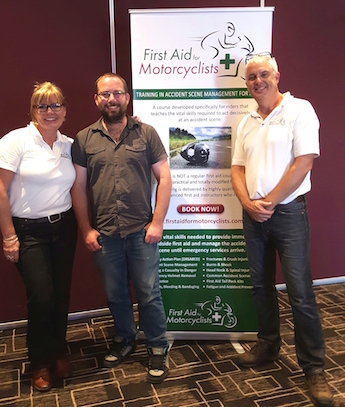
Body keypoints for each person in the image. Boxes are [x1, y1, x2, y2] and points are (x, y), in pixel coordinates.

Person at [231, 54, 333, 407]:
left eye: (263, 74)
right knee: (260, 287)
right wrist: (247, 203)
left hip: (287, 214)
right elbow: (236, 169)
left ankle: (314, 367)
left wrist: (269, 202)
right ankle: (268, 344)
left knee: (300, 292)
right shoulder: (245, 121)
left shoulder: (299, 110)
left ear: (276, 76)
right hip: (253, 216)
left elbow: (303, 162)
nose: (257, 81)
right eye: (251, 77)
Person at [71, 72, 172, 383]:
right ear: (96, 99)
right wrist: (86, 229)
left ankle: (157, 346)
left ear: (127, 98)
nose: (111, 99)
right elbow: (78, 187)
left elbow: (165, 178)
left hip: (142, 231)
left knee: (149, 294)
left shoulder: (147, 134)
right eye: (105, 94)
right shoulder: (84, 139)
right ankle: (124, 339)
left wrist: (157, 222)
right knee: (115, 295)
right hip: (105, 235)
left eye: (117, 93)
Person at [0, 82, 77, 392]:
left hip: (64, 227)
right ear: (32, 110)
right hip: (27, 230)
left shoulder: (69, 144)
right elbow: (1, 189)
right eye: (42, 106)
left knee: (60, 295)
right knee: (42, 297)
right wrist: (8, 236)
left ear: (65, 110)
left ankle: (59, 350)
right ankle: (40, 362)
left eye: (55, 105)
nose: (49, 111)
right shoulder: (15, 140)